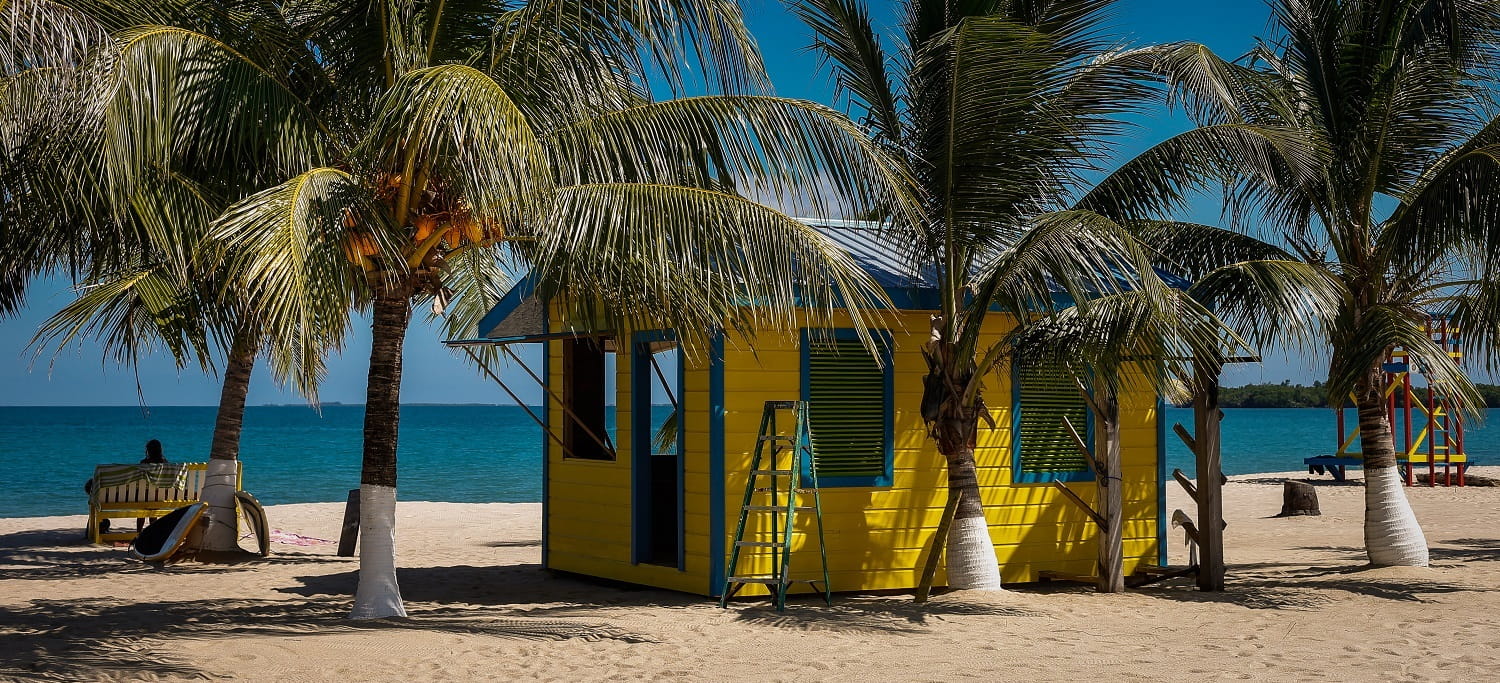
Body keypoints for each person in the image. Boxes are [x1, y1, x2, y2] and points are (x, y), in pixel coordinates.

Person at [136, 439, 168, 531]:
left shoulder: (143, 463)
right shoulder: (165, 464)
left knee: (143, 505)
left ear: (148, 451)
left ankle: (139, 532)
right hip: (160, 498)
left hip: (144, 499)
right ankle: (153, 531)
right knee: (152, 503)